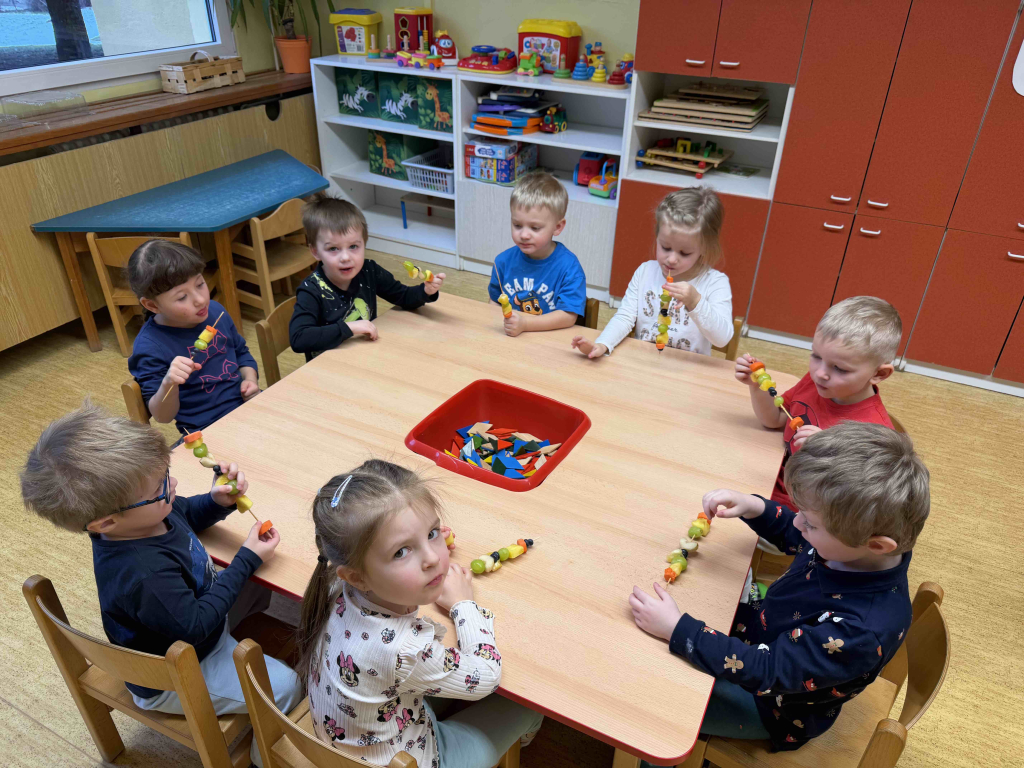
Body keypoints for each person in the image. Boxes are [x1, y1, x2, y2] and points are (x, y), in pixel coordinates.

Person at [20, 403, 301, 765]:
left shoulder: (144, 518)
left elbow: (183, 511)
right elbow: (196, 626)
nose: (174, 486)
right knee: (287, 687)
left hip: (191, 626)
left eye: (166, 474)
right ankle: (265, 760)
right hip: (179, 669)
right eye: (160, 487)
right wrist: (246, 559)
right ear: (106, 523)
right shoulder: (144, 575)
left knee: (264, 582)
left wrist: (216, 502)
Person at [628, 422, 929, 752]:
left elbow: (766, 670)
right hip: (764, 629)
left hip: (772, 706)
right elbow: (795, 533)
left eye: (810, 523)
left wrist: (678, 630)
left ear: (877, 545)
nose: (798, 522)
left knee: (654, 700)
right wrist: (755, 507)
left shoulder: (860, 633)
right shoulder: (854, 546)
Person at [297, 460, 543, 768]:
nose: (433, 559)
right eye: (401, 552)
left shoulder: (334, 584)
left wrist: (413, 542)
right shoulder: (407, 650)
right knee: (529, 704)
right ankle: (522, 742)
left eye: (432, 533)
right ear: (357, 576)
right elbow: (486, 677)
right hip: (413, 759)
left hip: (347, 740)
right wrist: (463, 604)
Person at [737, 295, 901, 510]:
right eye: (816, 356)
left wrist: (827, 457)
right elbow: (774, 420)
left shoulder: (875, 432)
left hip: (808, 511)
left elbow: (862, 501)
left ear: (879, 374)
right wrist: (757, 385)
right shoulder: (815, 383)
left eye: (839, 368)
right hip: (771, 477)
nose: (820, 373)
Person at [572, 187, 733, 358]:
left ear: (704, 248)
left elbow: (722, 339)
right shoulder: (645, 272)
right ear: (657, 237)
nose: (672, 259)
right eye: (665, 247)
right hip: (644, 363)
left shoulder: (715, 283)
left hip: (689, 370)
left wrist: (695, 302)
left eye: (684, 253)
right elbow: (625, 317)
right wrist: (603, 344)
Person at [289, 195, 445, 361]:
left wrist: (425, 291)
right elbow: (299, 338)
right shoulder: (311, 290)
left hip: (365, 357)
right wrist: (349, 328)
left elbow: (403, 296)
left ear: (364, 243)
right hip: (327, 367)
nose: (345, 257)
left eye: (353, 246)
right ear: (315, 252)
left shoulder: (369, 271)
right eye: (333, 249)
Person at [127, 241, 258, 434]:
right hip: (205, 429)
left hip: (248, 408)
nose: (200, 300)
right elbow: (162, 416)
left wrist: (250, 379)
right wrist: (169, 383)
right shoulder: (149, 347)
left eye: (200, 284)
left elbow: (241, 353)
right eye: (182, 297)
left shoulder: (216, 311)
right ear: (152, 305)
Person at [487, 172, 587, 337]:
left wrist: (525, 324)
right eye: (517, 225)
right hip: (511, 338)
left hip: (548, 340)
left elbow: (568, 316)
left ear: (557, 227)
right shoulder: (502, 262)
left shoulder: (569, 268)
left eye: (535, 228)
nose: (524, 235)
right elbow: (494, 302)